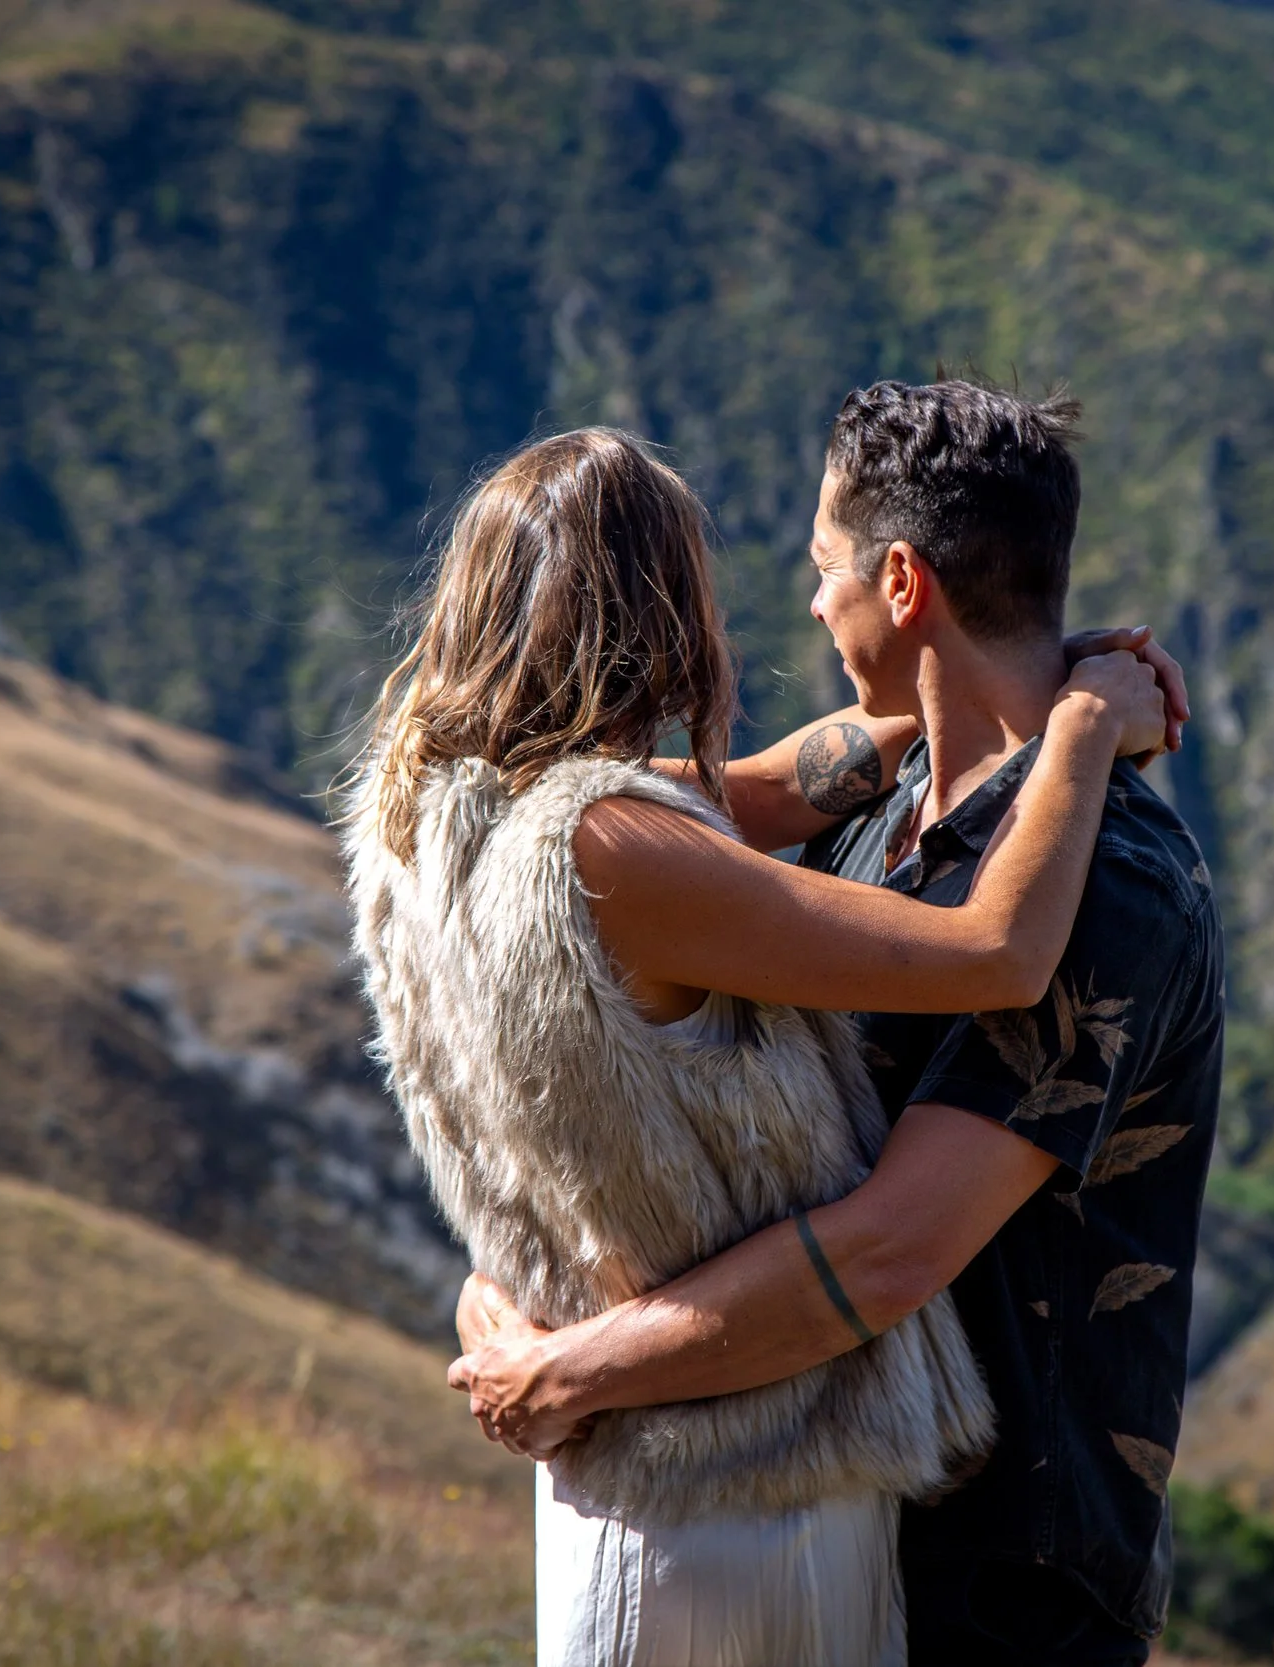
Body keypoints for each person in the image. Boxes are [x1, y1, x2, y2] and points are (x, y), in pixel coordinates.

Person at [341, 423, 1180, 1666]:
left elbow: (775, 787)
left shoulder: (438, 816)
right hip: (744, 1501)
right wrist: (1074, 736)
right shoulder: (621, 850)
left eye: (821, 564)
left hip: (610, 1482)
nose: (792, 599)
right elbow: (997, 953)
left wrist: (991, 676)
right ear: (660, 606)